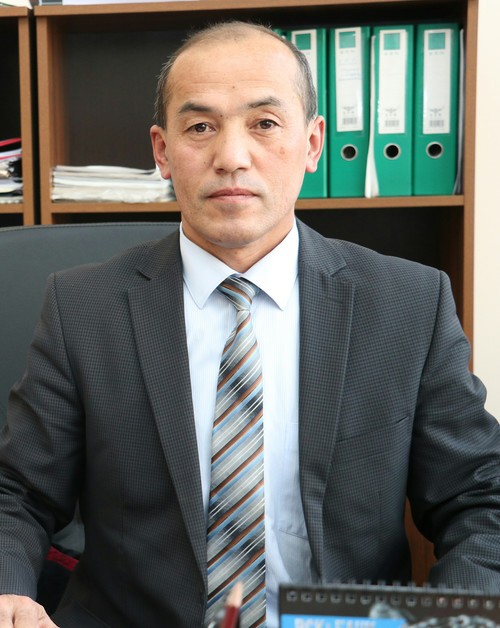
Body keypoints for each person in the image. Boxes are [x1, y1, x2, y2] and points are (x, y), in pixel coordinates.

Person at [1, 19, 500, 628]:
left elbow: (481, 498)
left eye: (264, 123)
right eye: (200, 127)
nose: (232, 158)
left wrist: (455, 615)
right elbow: (17, 493)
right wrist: (9, 593)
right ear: (162, 151)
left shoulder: (407, 305)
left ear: (313, 143)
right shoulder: (84, 307)